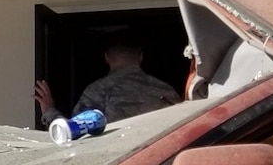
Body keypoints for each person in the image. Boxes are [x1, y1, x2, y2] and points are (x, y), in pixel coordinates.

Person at [34, 31, 181, 127]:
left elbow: (74, 132)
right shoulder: (166, 90)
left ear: (106, 58)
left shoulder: (98, 91)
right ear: (140, 56)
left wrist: (49, 111)